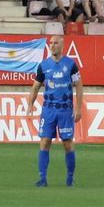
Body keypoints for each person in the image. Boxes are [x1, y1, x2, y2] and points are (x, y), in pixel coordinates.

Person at [25, 34, 82, 188]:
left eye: (55, 43)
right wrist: (30, 105)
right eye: (50, 43)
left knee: (68, 144)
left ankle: (70, 178)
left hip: (65, 111)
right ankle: (42, 178)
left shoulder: (71, 65)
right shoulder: (44, 65)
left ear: (62, 46)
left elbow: (79, 85)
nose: (52, 45)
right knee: (44, 142)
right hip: (48, 110)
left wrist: (78, 108)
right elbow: (35, 86)